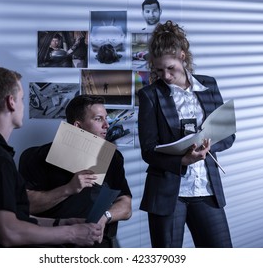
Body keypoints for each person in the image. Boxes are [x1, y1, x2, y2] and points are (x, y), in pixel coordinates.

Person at [0, 67, 102, 247]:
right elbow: (9, 232)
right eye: (22, 99)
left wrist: (62, 223)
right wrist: (71, 233)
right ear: (11, 102)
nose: (23, 106)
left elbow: (18, 217)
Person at [137, 20, 235, 248]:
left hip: (206, 189)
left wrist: (207, 147)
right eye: (159, 70)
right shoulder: (150, 95)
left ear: (183, 56)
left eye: (170, 68)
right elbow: (148, 150)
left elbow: (227, 136)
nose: (166, 76)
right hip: (167, 193)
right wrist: (183, 159)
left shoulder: (209, 86)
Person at [19, 94, 132, 248]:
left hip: (95, 242)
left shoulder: (113, 158)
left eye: (106, 118)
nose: (107, 125)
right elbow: (27, 206)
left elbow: (126, 206)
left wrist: (105, 217)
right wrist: (68, 189)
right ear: (78, 126)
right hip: (53, 243)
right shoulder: (36, 157)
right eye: (98, 119)